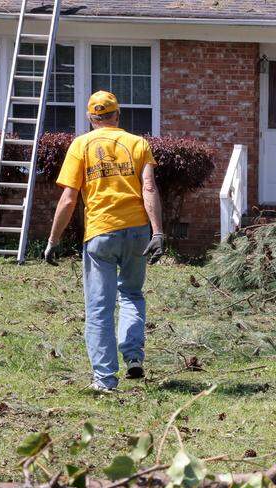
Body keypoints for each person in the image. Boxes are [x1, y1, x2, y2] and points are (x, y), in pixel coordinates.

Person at [44, 90, 165, 392]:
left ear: (90, 117)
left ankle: (105, 379)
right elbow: (149, 188)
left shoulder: (81, 145)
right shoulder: (138, 144)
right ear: (117, 115)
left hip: (101, 232)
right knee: (132, 294)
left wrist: (53, 240)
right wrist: (158, 232)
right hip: (137, 231)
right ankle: (133, 356)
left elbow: (68, 199)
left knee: (99, 306)